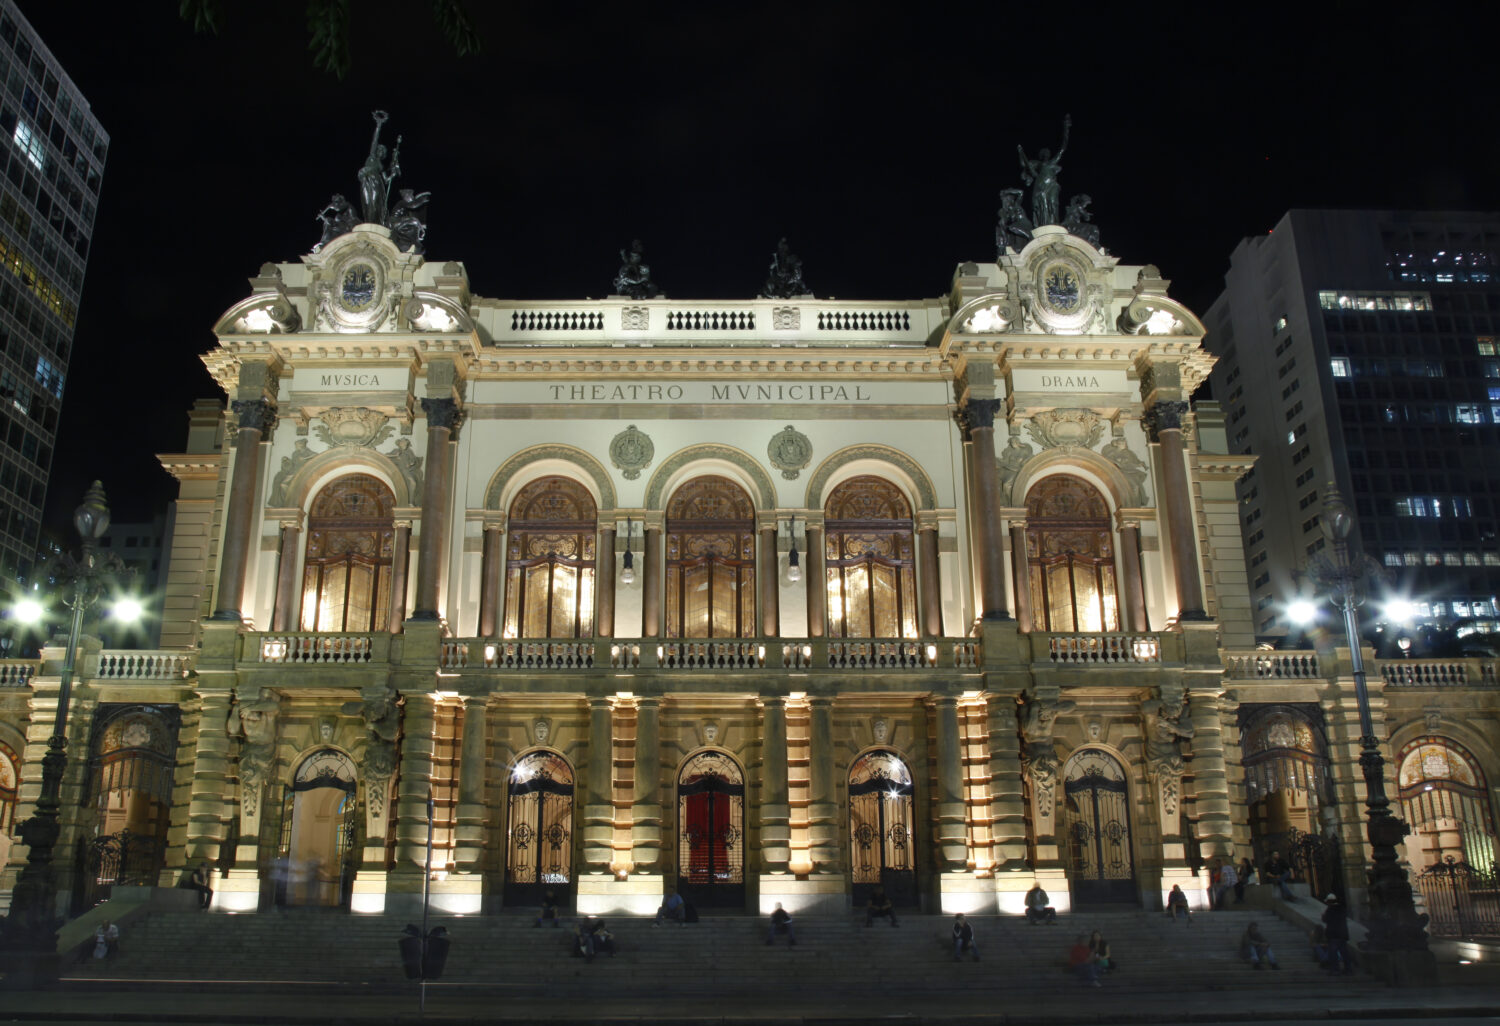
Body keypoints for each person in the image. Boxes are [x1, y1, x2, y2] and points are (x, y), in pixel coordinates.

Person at [1321, 894, 1354, 975]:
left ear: (1329, 902)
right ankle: (1348, 969)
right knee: (1344, 952)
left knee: (1333, 953)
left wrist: (1323, 916)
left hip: (1333, 935)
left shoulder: (1330, 910)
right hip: (1342, 934)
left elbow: (1326, 919)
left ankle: (1335, 969)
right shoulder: (1342, 909)